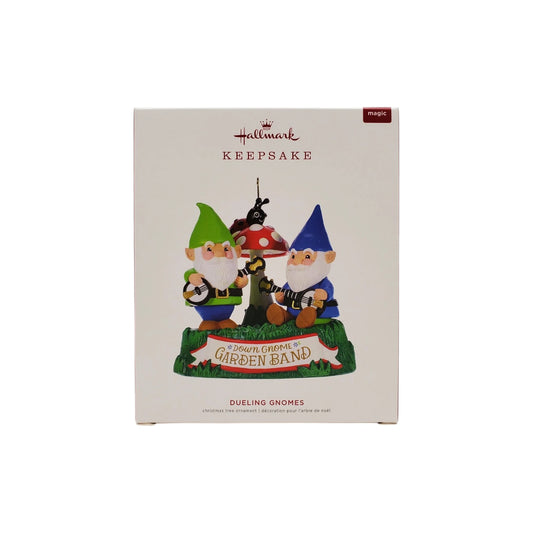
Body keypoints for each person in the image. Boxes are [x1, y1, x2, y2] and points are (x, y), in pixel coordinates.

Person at [266, 205, 338, 329]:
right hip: (292, 312)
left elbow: (328, 290)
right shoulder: (291, 284)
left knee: (310, 313)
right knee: (279, 310)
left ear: (329, 257)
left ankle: (306, 319)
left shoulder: (321, 282)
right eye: (293, 256)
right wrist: (280, 298)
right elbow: (285, 293)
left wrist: (325, 294)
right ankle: (282, 316)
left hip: (319, 313)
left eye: (307, 256)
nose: (296, 262)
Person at [184, 203, 248, 331]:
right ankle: (208, 321)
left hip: (228, 306)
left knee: (228, 326)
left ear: (237, 252)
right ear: (191, 254)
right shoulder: (199, 271)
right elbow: (188, 275)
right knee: (209, 327)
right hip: (205, 306)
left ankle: (225, 320)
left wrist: (244, 281)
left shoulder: (232, 273)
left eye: (226, 249)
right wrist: (191, 277)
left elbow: (241, 277)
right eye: (209, 249)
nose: (220, 253)